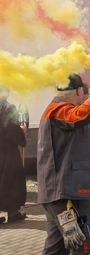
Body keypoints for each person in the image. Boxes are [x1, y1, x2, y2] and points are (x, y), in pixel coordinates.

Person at [37, 71, 90, 254]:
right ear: (79, 91)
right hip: (70, 194)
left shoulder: (54, 110)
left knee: (57, 247)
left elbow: (83, 114)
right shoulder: (61, 111)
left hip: (58, 193)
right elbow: (81, 115)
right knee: (86, 243)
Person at [0, 84, 28, 224]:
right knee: (11, 181)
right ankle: (13, 213)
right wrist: (22, 132)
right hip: (6, 151)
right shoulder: (8, 108)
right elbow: (11, 130)